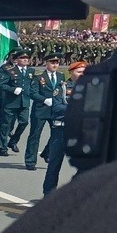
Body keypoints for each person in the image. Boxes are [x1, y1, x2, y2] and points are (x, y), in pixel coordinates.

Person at [42, 60, 84, 196]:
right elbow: (57, 107)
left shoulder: (91, 88)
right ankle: (48, 194)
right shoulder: (62, 87)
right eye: (79, 72)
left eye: (84, 72)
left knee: (84, 165)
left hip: (80, 131)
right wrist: (77, 109)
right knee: (54, 165)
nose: (82, 74)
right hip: (61, 130)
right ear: (71, 73)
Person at [25, 55, 65, 171]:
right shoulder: (38, 77)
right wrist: (44, 100)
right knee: (35, 135)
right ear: (46, 63)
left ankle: (46, 153)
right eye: (52, 62)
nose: (55, 65)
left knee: (56, 134)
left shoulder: (60, 76)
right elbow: (33, 93)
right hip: (41, 110)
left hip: (55, 111)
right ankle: (30, 161)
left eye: (57, 62)